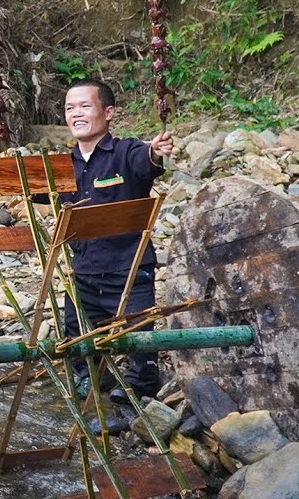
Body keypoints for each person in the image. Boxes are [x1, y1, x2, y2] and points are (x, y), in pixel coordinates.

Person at [53, 78, 173, 404]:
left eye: (84, 106)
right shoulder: (63, 165)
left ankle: (140, 404)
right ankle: (96, 389)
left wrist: (156, 151)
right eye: (69, 108)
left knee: (140, 352)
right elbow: (29, 187)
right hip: (84, 273)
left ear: (108, 112)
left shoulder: (125, 151)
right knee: (78, 347)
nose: (76, 114)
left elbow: (147, 159)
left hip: (129, 271)